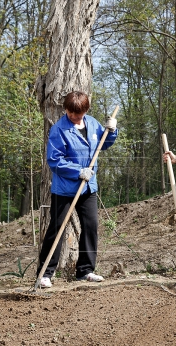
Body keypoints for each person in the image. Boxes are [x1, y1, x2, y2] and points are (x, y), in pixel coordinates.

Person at [35, 91, 118, 288]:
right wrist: (78, 171)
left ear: (86, 110)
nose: (74, 117)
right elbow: (54, 161)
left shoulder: (92, 124)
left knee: (90, 227)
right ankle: (45, 273)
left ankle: (85, 271)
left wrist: (112, 131)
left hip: (88, 188)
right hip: (65, 188)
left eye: (78, 114)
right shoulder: (59, 130)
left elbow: (103, 144)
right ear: (66, 109)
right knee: (57, 229)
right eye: (71, 113)